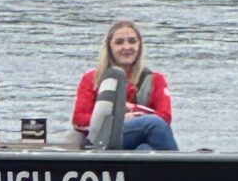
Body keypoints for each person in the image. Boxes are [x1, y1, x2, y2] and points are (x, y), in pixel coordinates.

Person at [72, 20, 178, 151]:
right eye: (119, 42)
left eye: (132, 41)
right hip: (101, 139)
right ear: (109, 47)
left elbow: (165, 117)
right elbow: (79, 119)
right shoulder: (92, 79)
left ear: (139, 45)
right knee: (153, 124)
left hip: (141, 140)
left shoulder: (155, 80)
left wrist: (135, 113)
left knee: (145, 150)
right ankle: (186, 169)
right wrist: (120, 117)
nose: (127, 47)